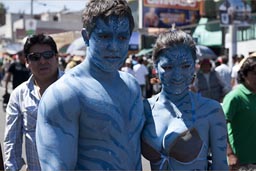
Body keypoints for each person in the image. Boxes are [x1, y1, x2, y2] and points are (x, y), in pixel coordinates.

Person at [36, 0, 145, 170]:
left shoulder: (131, 86)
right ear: (86, 37)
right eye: (104, 36)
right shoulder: (65, 94)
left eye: (122, 37)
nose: (114, 47)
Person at [141, 30, 228, 170]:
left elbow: (220, 166)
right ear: (155, 67)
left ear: (194, 66)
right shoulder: (144, 109)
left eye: (185, 66)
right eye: (168, 67)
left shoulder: (211, 110)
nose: (177, 75)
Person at [3, 33, 64, 171]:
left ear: (56, 57)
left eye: (47, 55)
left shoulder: (74, 88)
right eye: (35, 57)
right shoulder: (19, 95)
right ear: (27, 62)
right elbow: (12, 140)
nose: (42, 61)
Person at [222, 56, 256, 170]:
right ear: (244, 75)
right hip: (240, 162)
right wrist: (230, 154)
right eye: (254, 73)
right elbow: (220, 126)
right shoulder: (235, 97)